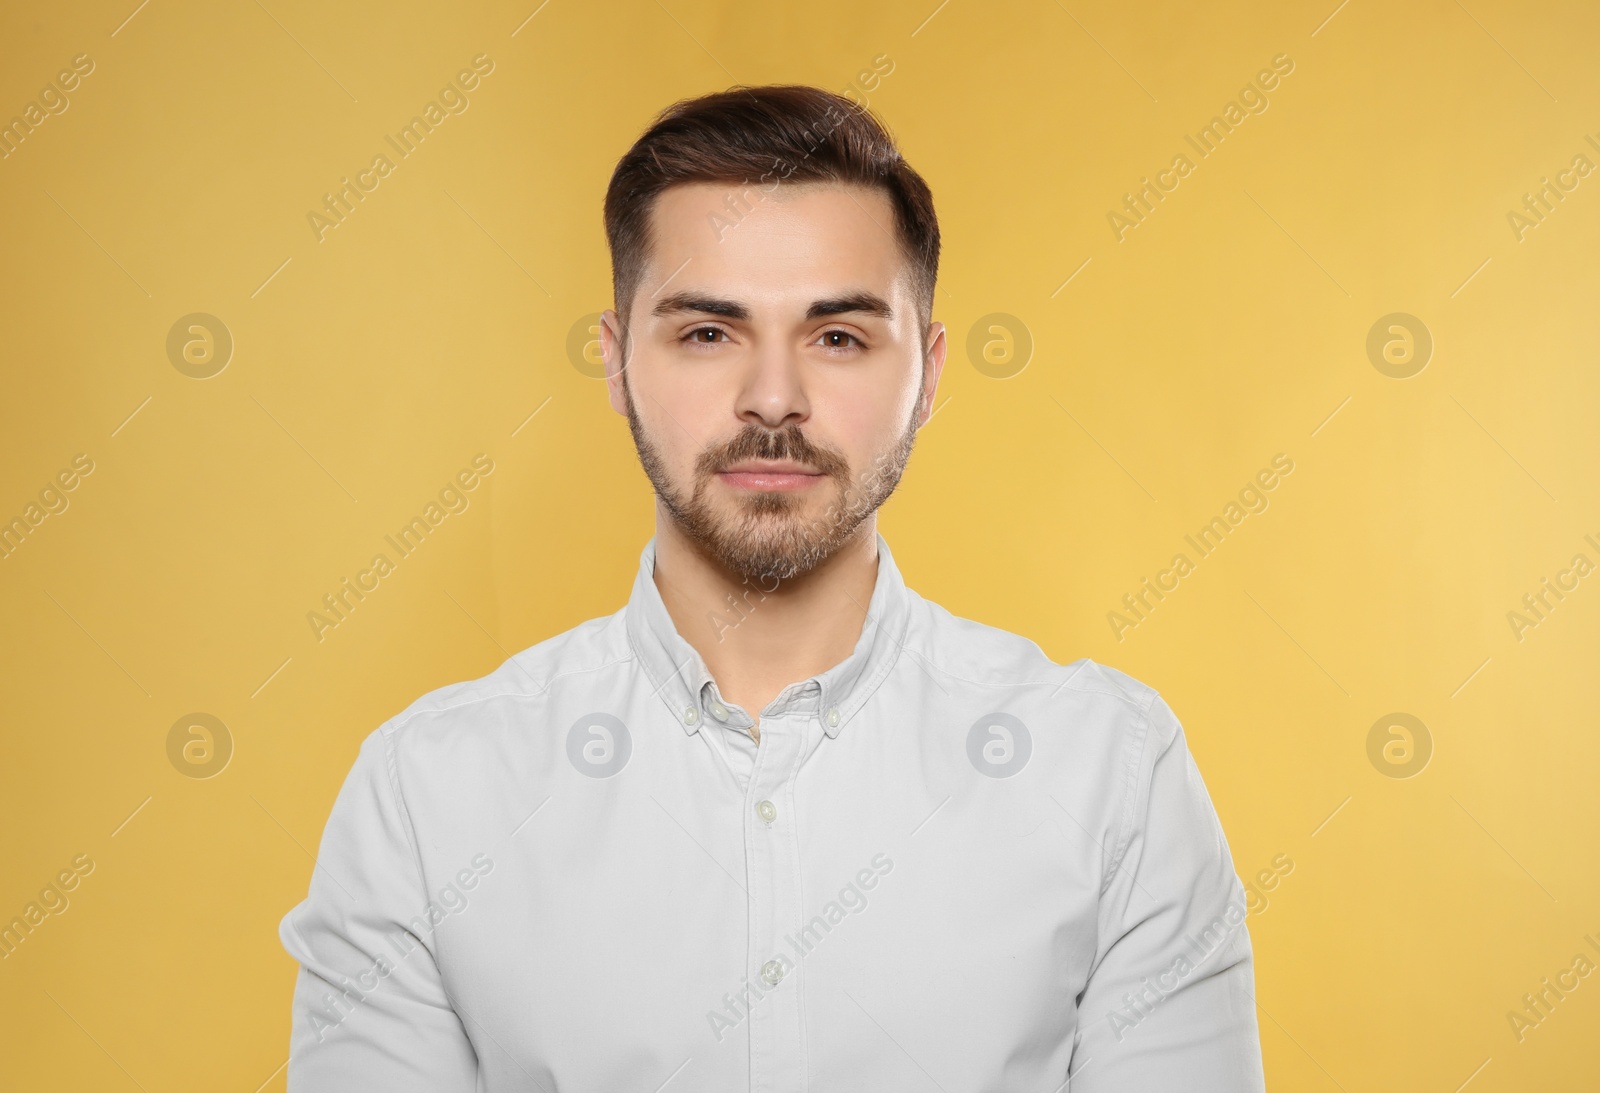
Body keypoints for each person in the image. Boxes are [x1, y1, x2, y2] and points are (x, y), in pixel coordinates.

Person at [279, 83, 1266, 1092]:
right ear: (617, 365)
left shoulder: (1111, 778)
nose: (773, 398)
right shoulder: (426, 800)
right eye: (708, 332)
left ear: (924, 376)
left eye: (836, 336)